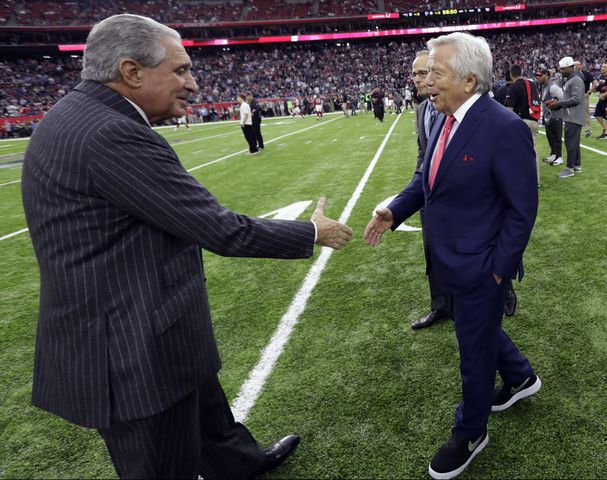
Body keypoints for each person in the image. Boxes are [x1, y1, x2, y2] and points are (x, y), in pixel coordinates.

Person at [21, 14, 353, 480]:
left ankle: (240, 464)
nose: (194, 85)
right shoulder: (111, 133)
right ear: (132, 71)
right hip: (132, 344)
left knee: (207, 414)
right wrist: (312, 232)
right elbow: (219, 229)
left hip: (142, 319)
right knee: (161, 462)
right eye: (181, 70)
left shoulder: (78, 114)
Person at [364, 32, 541, 479]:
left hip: (482, 266)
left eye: (435, 73)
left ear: (468, 79)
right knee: (476, 332)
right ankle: (521, 377)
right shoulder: (444, 117)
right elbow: (426, 177)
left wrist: (499, 272)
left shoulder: (504, 127)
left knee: (473, 352)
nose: (426, 82)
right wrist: (394, 211)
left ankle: (471, 432)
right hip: (451, 261)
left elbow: (523, 210)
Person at [547, 56, 585, 178]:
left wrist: (559, 104)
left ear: (571, 67)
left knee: (570, 142)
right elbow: (566, 99)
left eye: (563, 69)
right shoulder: (570, 80)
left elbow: (576, 98)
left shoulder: (576, 80)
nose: (561, 71)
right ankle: (577, 165)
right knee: (574, 142)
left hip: (573, 116)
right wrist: (556, 104)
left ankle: (569, 168)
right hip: (570, 115)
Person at [505, 64, 540, 183]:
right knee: (533, 152)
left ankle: (522, 180)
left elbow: (509, 110)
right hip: (534, 121)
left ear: (511, 74)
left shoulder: (513, 87)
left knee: (518, 153)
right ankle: (535, 180)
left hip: (521, 122)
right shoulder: (532, 84)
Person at [536, 68, 564, 166]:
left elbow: (564, 98)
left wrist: (556, 103)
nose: (538, 77)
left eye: (540, 75)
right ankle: (553, 154)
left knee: (557, 137)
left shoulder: (553, 87)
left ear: (547, 75)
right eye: (537, 75)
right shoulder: (544, 86)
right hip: (548, 116)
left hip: (555, 115)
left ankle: (559, 157)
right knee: (550, 137)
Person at [573, 60, 595, 137]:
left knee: (586, 113)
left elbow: (595, 84)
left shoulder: (586, 74)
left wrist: (588, 93)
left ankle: (588, 130)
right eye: (575, 65)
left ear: (581, 66)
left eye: (577, 65)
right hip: (574, 95)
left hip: (583, 95)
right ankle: (575, 130)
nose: (576, 66)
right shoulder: (572, 74)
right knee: (574, 113)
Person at [590, 62, 607, 139]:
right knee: (597, 115)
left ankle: (605, 133)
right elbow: (599, 87)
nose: (602, 68)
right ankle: (606, 131)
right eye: (602, 67)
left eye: (604, 67)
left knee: (604, 116)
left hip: (605, 99)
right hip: (602, 100)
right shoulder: (602, 77)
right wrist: (591, 90)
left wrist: (604, 95)